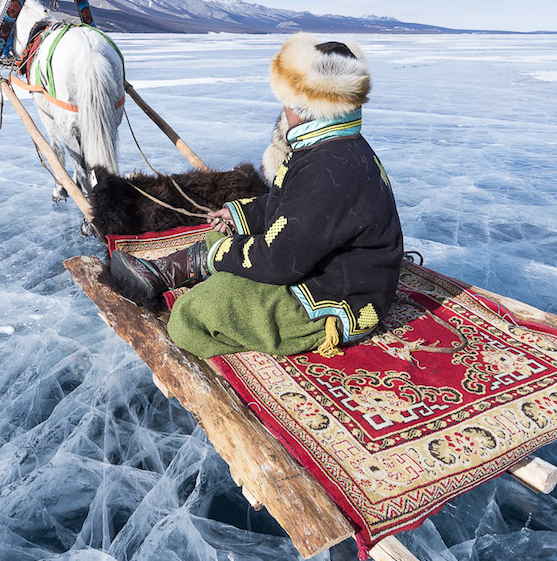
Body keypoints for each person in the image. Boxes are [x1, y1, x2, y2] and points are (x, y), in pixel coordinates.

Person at [110, 33, 404, 359]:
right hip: (324, 266)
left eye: (289, 99)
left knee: (194, 313)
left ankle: (226, 318)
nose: (284, 108)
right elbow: (294, 207)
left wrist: (224, 256)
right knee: (228, 237)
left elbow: (280, 260)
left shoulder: (329, 167)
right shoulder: (329, 149)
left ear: (306, 105)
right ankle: (171, 270)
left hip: (338, 298)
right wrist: (240, 216)